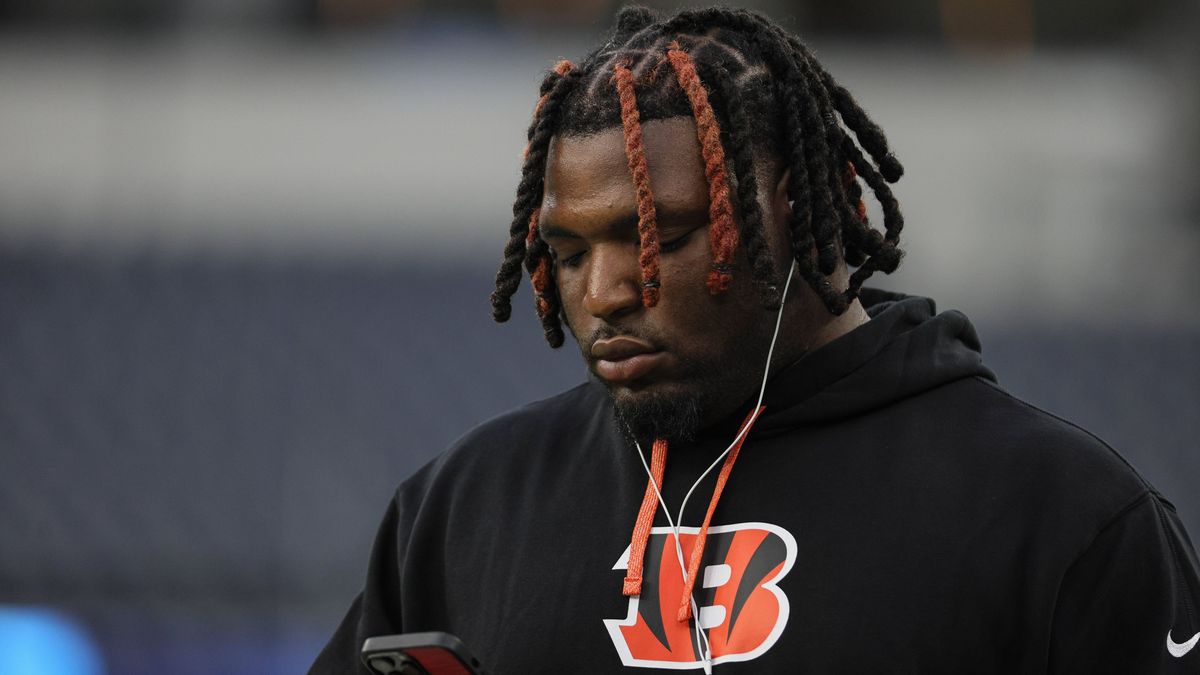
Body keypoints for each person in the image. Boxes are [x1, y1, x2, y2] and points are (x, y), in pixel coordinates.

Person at [310, 5, 1200, 673]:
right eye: (569, 250)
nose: (607, 291)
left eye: (663, 236)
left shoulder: (1058, 514)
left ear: (805, 216)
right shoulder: (464, 509)